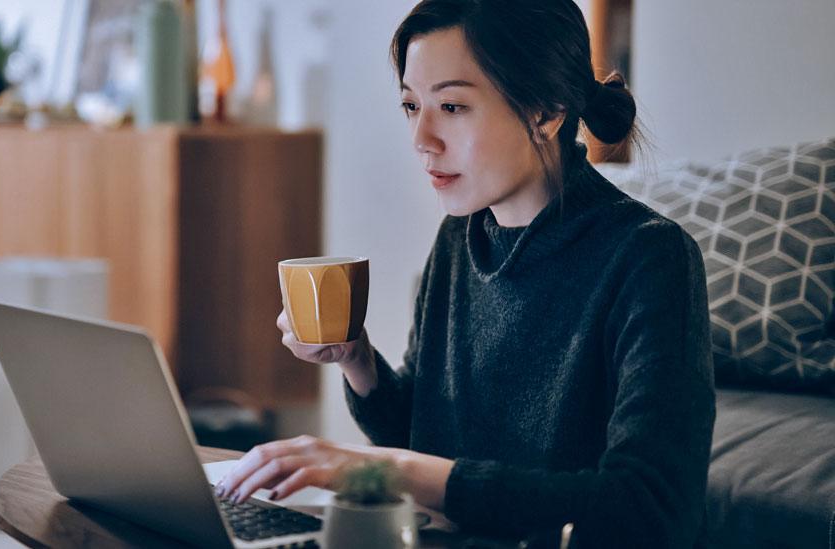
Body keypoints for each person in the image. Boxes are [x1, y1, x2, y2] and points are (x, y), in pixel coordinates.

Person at [215, 1, 715, 547]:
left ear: (545, 111)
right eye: (411, 105)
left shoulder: (650, 258)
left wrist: (380, 468)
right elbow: (425, 436)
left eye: (452, 106)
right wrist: (357, 359)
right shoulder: (461, 238)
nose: (421, 138)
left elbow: (649, 510)